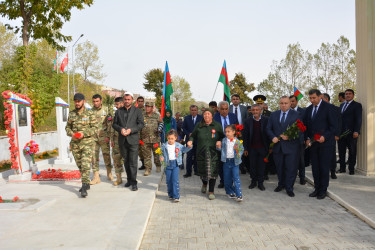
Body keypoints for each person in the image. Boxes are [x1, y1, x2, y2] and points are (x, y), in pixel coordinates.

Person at [304, 89, 338, 200]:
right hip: (313, 145)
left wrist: (325, 136)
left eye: (314, 98)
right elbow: (306, 127)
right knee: (315, 168)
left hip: (326, 144)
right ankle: (317, 188)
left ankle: (323, 190)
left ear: (320, 97)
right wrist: (307, 138)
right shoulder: (308, 110)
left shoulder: (329, 108)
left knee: (324, 167)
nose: (312, 100)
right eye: (310, 98)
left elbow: (333, 127)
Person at [266, 96, 301, 197]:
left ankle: (289, 188)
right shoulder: (273, 114)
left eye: (286, 103)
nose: (283, 105)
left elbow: (300, 130)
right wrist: (272, 137)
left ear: (290, 104)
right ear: (279, 104)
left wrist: (289, 136)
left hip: (291, 147)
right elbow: (268, 128)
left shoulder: (297, 114)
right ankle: (281, 184)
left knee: (291, 168)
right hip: (278, 146)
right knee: (279, 167)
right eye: (281, 103)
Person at [187, 108, 224, 200]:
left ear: (212, 115)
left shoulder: (217, 125)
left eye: (208, 114)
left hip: (213, 153)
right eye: (205, 114)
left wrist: (220, 141)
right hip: (201, 152)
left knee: (213, 172)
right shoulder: (199, 125)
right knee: (202, 172)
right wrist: (190, 141)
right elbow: (193, 135)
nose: (206, 116)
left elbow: (223, 136)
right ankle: (204, 183)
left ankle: (211, 191)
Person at [66, 93, 98, 197]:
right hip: (75, 145)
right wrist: (72, 134)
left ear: (83, 101)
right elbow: (67, 128)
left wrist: (84, 134)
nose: (77, 103)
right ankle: (86, 182)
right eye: (75, 101)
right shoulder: (71, 114)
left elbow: (95, 128)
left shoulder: (90, 113)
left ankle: (84, 186)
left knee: (85, 164)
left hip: (87, 144)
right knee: (80, 165)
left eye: (79, 101)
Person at [112, 92, 144, 191]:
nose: (126, 101)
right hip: (122, 140)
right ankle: (129, 180)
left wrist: (131, 130)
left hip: (133, 139)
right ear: (123, 100)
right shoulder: (118, 112)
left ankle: (134, 182)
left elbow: (141, 124)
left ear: (132, 100)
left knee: (133, 162)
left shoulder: (137, 111)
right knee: (126, 161)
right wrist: (120, 129)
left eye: (128, 99)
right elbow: (114, 124)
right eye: (125, 100)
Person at [160, 129, 192, 202]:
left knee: (175, 180)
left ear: (175, 138)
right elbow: (161, 153)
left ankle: (176, 196)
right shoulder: (164, 145)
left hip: (175, 164)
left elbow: (184, 150)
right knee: (168, 181)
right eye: (169, 139)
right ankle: (170, 195)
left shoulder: (179, 146)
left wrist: (189, 146)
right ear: (167, 138)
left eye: (172, 139)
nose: (170, 140)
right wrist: (161, 157)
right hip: (167, 164)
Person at [243, 104, 269, 191]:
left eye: (257, 110)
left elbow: (268, 134)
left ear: (260, 110)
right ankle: (253, 182)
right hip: (252, 148)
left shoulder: (266, 120)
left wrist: (270, 148)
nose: (255, 112)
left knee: (261, 166)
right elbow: (245, 136)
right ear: (251, 111)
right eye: (253, 110)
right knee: (252, 166)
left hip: (263, 147)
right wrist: (245, 148)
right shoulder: (247, 121)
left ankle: (260, 183)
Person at [213, 101, 238, 188]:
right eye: (222, 109)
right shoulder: (215, 117)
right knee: (221, 163)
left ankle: (230, 182)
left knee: (231, 163)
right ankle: (223, 181)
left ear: (228, 109)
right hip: (220, 144)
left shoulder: (233, 116)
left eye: (226, 109)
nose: (224, 111)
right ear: (219, 109)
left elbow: (237, 129)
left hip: (231, 143)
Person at [338, 89, 362, 175]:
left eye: (349, 94)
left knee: (352, 151)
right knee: (341, 151)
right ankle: (342, 168)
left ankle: (351, 169)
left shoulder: (357, 105)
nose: (347, 95)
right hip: (341, 133)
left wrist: (356, 131)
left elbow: (358, 119)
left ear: (353, 95)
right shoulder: (341, 105)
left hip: (352, 133)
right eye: (346, 94)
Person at [217, 124, 244, 201]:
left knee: (236, 178)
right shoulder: (224, 140)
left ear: (233, 132)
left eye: (228, 131)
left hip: (235, 162)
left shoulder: (238, 141)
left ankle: (239, 194)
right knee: (227, 178)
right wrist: (218, 147)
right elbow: (222, 150)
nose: (227, 133)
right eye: (226, 132)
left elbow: (241, 149)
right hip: (226, 161)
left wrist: (239, 154)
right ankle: (229, 192)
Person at [90, 94, 113, 184]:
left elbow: (110, 124)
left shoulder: (106, 110)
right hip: (93, 138)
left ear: (101, 101)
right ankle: (96, 177)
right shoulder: (90, 111)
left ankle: (109, 172)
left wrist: (108, 136)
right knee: (94, 157)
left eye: (97, 101)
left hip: (104, 137)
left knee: (106, 156)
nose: (95, 103)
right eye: (94, 101)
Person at [140, 102, 162, 176]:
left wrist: (159, 129)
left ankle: (158, 165)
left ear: (152, 108)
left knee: (156, 154)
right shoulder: (141, 116)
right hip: (144, 139)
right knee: (146, 156)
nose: (147, 108)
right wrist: (139, 139)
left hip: (155, 139)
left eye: (149, 107)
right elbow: (138, 126)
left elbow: (161, 123)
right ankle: (148, 169)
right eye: (146, 106)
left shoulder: (157, 115)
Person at [322, 93, 340, 179]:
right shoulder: (317, 109)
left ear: (326, 99)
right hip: (320, 136)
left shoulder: (335, 108)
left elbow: (339, 122)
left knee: (332, 155)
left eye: (321, 98)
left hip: (331, 136)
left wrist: (337, 134)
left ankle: (333, 171)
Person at [289, 95, 306, 185]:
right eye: (290, 101)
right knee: (291, 160)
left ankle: (302, 178)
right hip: (289, 141)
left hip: (300, 140)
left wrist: (305, 138)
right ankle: (291, 177)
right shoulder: (286, 112)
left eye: (293, 101)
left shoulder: (303, 111)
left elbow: (306, 125)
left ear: (297, 102)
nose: (291, 103)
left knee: (301, 160)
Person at [182, 105, 202, 177]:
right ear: (190, 111)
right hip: (189, 140)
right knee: (189, 156)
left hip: (198, 140)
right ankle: (188, 172)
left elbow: (202, 128)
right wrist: (188, 133)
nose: (193, 111)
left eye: (195, 110)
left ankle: (196, 171)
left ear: (197, 111)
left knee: (197, 156)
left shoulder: (201, 118)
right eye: (192, 110)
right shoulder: (186, 118)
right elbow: (183, 128)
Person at [109, 97, 125, 186]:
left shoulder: (127, 113)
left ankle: (131, 179)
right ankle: (119, 178)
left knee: (127, 160)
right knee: (116, 159)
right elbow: (112, 128)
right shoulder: (115, 114)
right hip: (116, 140)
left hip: (125, 141)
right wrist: (112, 139)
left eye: (117, 104)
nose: (116, 106)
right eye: (115, 104)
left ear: (122, 103)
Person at [137, 96, 146, 170]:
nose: (140, 102)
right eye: (139, 101)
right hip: (136, 134)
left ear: (143, 102)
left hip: (145, 134)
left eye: (141, 101)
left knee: (145, 149)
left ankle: (147, 165)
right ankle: (143, 164)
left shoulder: (146, 110)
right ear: (137, 102)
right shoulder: (134, 110)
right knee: (139, 150)